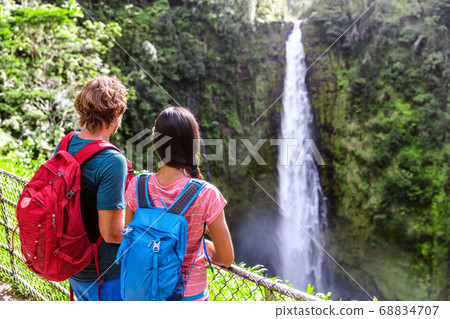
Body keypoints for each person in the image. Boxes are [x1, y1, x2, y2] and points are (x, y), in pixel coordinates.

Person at [124, 106, 234, 301]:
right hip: (189, 295)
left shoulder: (137, 186)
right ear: (193, 144)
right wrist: (205, 247)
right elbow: (226, 258)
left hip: (144, 291)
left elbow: (131, 237)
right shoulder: (206, 194)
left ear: (156, 142)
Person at [56, 76, 128, 301]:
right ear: (115, 114)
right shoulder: (112, 160)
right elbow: (112, 233)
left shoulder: (66, 143)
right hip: (105, 275)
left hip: (73, 265)